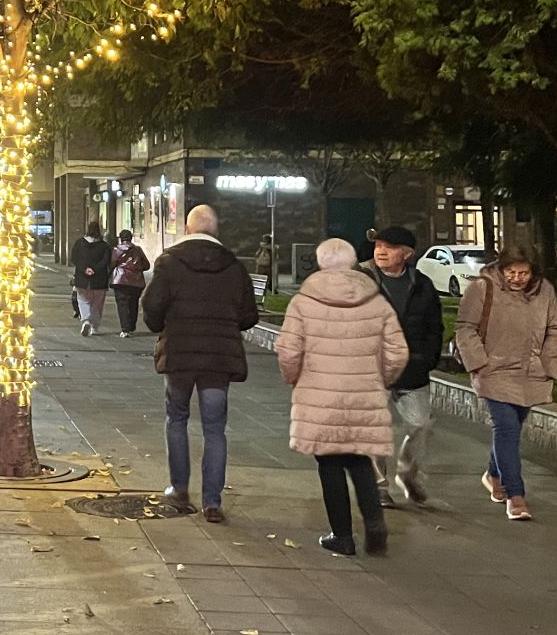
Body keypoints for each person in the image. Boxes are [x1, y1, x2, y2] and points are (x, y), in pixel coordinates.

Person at [276, 238, 408, 556]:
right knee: (360, 459)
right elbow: (397, 352)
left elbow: (288, 352)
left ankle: (342, 535)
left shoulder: (304, 303)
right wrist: (381, 379)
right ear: (352, 263)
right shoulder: (376, 302)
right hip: (364, 395)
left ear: (321, 263)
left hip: (320, 397)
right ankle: (375, 523)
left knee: (329, 463)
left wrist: (295, 379)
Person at [141, 204, 259, 524]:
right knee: (214, 428)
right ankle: (212, 502)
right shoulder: (234, 267)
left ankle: (180, 488)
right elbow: (249, 315)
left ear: (189, 229)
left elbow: (151, 306)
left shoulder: (169, 262)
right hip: (219, 359)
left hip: (179, 353)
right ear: (216, 231)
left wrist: (161, 325)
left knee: (176, 418)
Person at [457, 243, 557, 522]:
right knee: (506, 429)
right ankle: (516, 496)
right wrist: (480, 362)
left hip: (532, 372)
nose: (517, 278)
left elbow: (555, 327)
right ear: (501, 269)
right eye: (511, 272)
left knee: (513, 427)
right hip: (495, 372)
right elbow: (465, 327)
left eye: (523, 272)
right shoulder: (482, 287)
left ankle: (493, 473)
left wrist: (549, 363)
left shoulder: (545, 291)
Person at [360, 226, 444, 507]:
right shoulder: (359, 279)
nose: (381, 251)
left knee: (420, 424)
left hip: (412, 370)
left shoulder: (422, 284)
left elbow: (434, 327)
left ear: (406, 254)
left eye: (389, 247)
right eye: (378, 246)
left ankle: (408, 474)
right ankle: (377, 486)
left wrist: (425, 359)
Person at [70, 220, 112, 336]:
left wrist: (85, 269)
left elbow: (74, 258)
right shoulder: (104, 246)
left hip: (82, 279)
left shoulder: (79, 243)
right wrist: (95, 269)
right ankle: (94, 326)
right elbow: (106, 261)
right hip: (99, 279)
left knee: (83, 301)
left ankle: (86, 320)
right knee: (97, 303)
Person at [111, 229, 152, 337]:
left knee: (122, 304)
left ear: (121, 238)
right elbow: (147, 265)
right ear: (131, 238)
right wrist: (137, 268)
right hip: (136, 281)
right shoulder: (138, 250)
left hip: (120, 280)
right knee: (133, 303)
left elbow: (112, 264)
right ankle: (132, 325)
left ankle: (125, 328)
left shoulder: (116, 250)